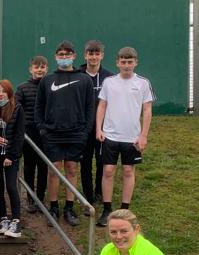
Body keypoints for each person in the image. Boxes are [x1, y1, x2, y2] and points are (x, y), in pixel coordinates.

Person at [34, 40, 94, 226]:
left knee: (72, 169)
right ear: (56, 57)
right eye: (61, 55)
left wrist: (85, 132)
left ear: (74, 56)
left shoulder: (84, 79)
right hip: (52, 134)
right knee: (54, 171)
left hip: (76, 134)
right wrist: (43, 129)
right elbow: (39, 107)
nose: (64, 58)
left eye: (68, 54)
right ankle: (53, 207)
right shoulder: (47, 80)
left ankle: (69, 207)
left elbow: (90, 108)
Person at [96, 47, 154, 227]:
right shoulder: (109, 82)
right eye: (123, 62)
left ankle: (125, 210)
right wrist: (98, 128)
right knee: (108, 171)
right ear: (117, 63)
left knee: (128, 171)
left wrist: (143, 135)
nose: (126, 65)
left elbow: (147, 109)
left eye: (130, 62)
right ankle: (106, 209)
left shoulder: (143, 83)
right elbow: (102, 106)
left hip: (132, 138)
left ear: (135, 62)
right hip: (110, 136)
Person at [0, 80, 26, 238]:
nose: (0, 94)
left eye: (3, 91)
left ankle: (16, 221)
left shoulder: (17, 109)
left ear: (9, 93)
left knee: (11, 186)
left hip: (10, 157)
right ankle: (3, 219)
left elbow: (19, 135)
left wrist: (11, 155)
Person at [78, 40, 115, 209]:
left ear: (102, 55)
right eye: (90, 53)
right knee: (85, 162)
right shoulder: (77, 75)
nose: (93, 57)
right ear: (85, 55)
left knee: (101, 161)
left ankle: (100, 191)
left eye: (97, 53)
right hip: (83, 128)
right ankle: (88, 196)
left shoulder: (109, 77)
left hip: (103, 128)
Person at [14, 56, 48, 213]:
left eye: (42, 67)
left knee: (43, 166)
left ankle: (40, 199)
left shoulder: (50, 86)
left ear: (46, 68)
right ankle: (30, 198)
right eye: (36, 67)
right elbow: (16, 109)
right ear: (31, 69)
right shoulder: (22, 88)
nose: (39, 69)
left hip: (45, 132)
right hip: (28, 133)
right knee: (29, 166)